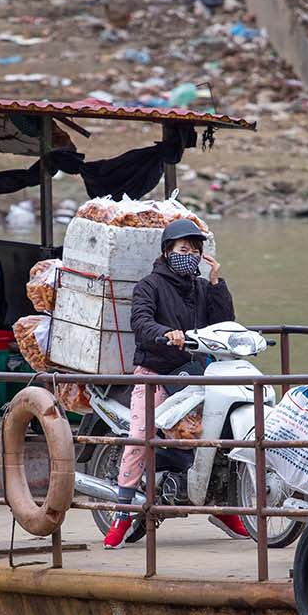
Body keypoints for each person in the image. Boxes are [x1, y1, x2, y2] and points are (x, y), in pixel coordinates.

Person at [102, 218, 251, 549]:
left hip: (194, 374)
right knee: (141, 436)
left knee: (219, 432)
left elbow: (224, 324)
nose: (190, 255)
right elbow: (140, 321)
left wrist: (216, 284)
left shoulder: (200, 287)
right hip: (156, 373)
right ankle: (122, 511)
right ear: (167, 250)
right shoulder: (149, 285)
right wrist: (163, 334)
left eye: (196, 250)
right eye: (184, 249)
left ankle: (223, 506)